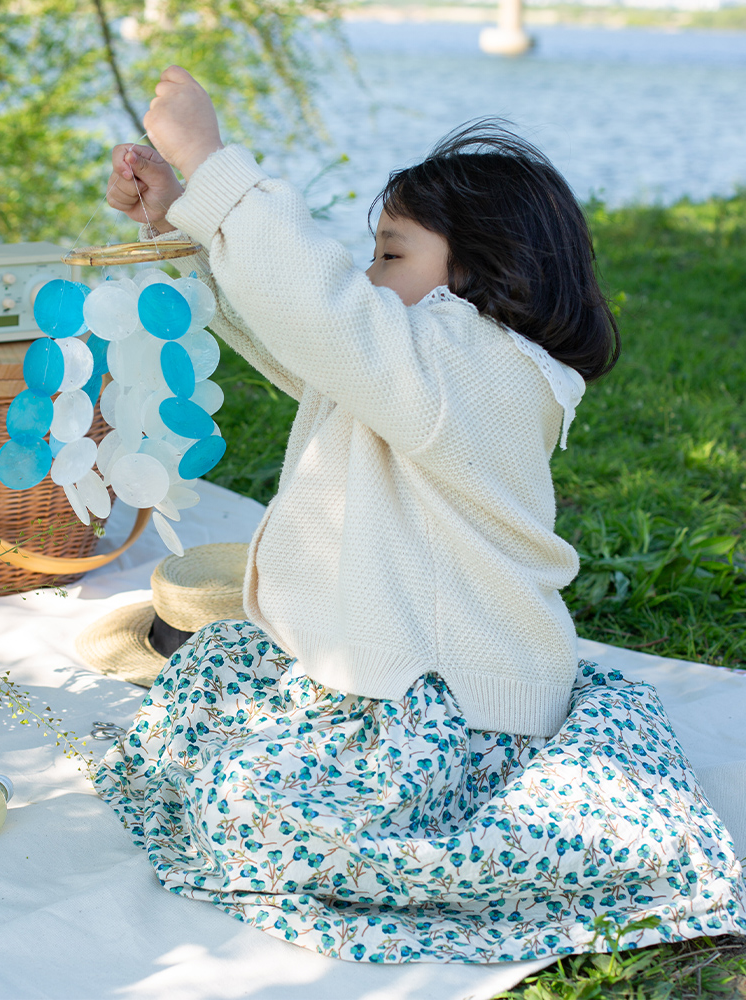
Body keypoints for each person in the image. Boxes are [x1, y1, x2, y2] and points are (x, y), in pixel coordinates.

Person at [94, 65, 746, 963]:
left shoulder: (485, 373)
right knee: (214, 685)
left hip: (448, 704)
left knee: (244, 800)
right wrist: (185, 220)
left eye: (390, 254)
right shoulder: (416, 364)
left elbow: (327, 318)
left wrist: (212, 165)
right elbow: (311, 342)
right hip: (392, 668)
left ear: (477, 275)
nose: (368, 276)